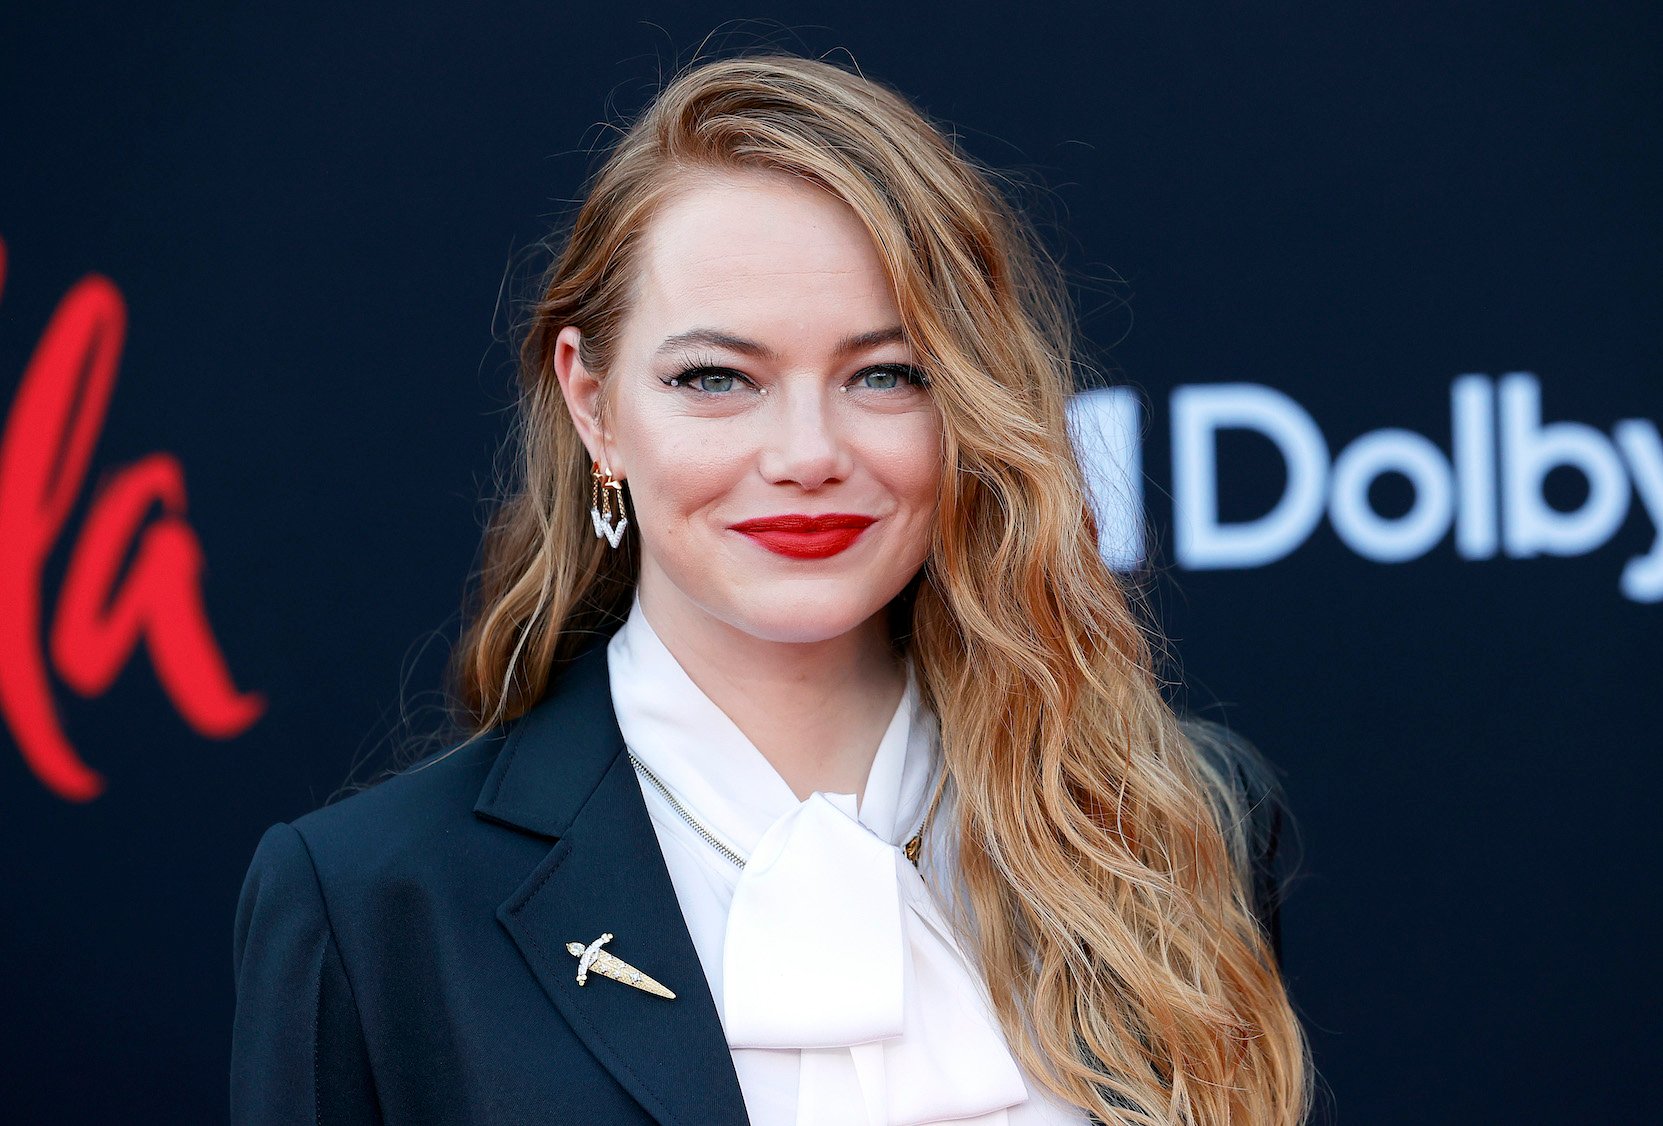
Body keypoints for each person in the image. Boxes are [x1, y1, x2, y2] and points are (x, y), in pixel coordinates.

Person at [231, 50, 1309, 1125]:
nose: (807, 452)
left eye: (885, 374)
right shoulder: (374, 901)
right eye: (716, 379)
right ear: (593, 404)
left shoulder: (1171, 823)